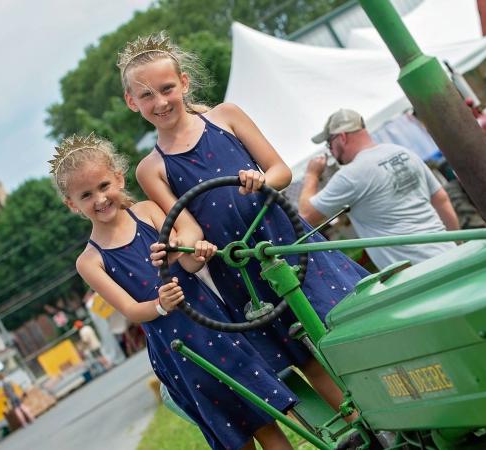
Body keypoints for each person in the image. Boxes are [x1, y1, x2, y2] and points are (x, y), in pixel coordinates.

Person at [119, 32, 369, 415]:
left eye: (166, 88)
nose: (160, 101)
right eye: (147, 95)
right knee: (304, 355)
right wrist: (184, 251)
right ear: (131, 102)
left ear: (183, 83)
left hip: (284, 241)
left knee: (344, 321)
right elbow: (190, 230)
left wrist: (261, 181)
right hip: (240, 269)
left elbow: (281, 171)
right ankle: (361, 424)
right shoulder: (151, 168)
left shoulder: (227, 116)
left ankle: (392, 404)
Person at [49, 132, 296, 450]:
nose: (99, 199)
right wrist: (161, 305)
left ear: (118, 179)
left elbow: (188, 262)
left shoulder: (150, 212)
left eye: (103, 186)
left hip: (213, 326)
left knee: (265, 421)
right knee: (235, 436)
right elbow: (132, 310)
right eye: (85, 195)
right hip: (179, 350)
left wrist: (197, 251)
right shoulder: (90, 260)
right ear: (72, 205)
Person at [298, 108, 460, 269]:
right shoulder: (402, 152)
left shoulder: (351, 175)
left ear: (342, 137)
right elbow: (441, 199)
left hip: (419, 272)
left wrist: (311, 175)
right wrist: (458, 246)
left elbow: (305, 215)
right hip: (448, 253)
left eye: (329, 143)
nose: (331, 151)